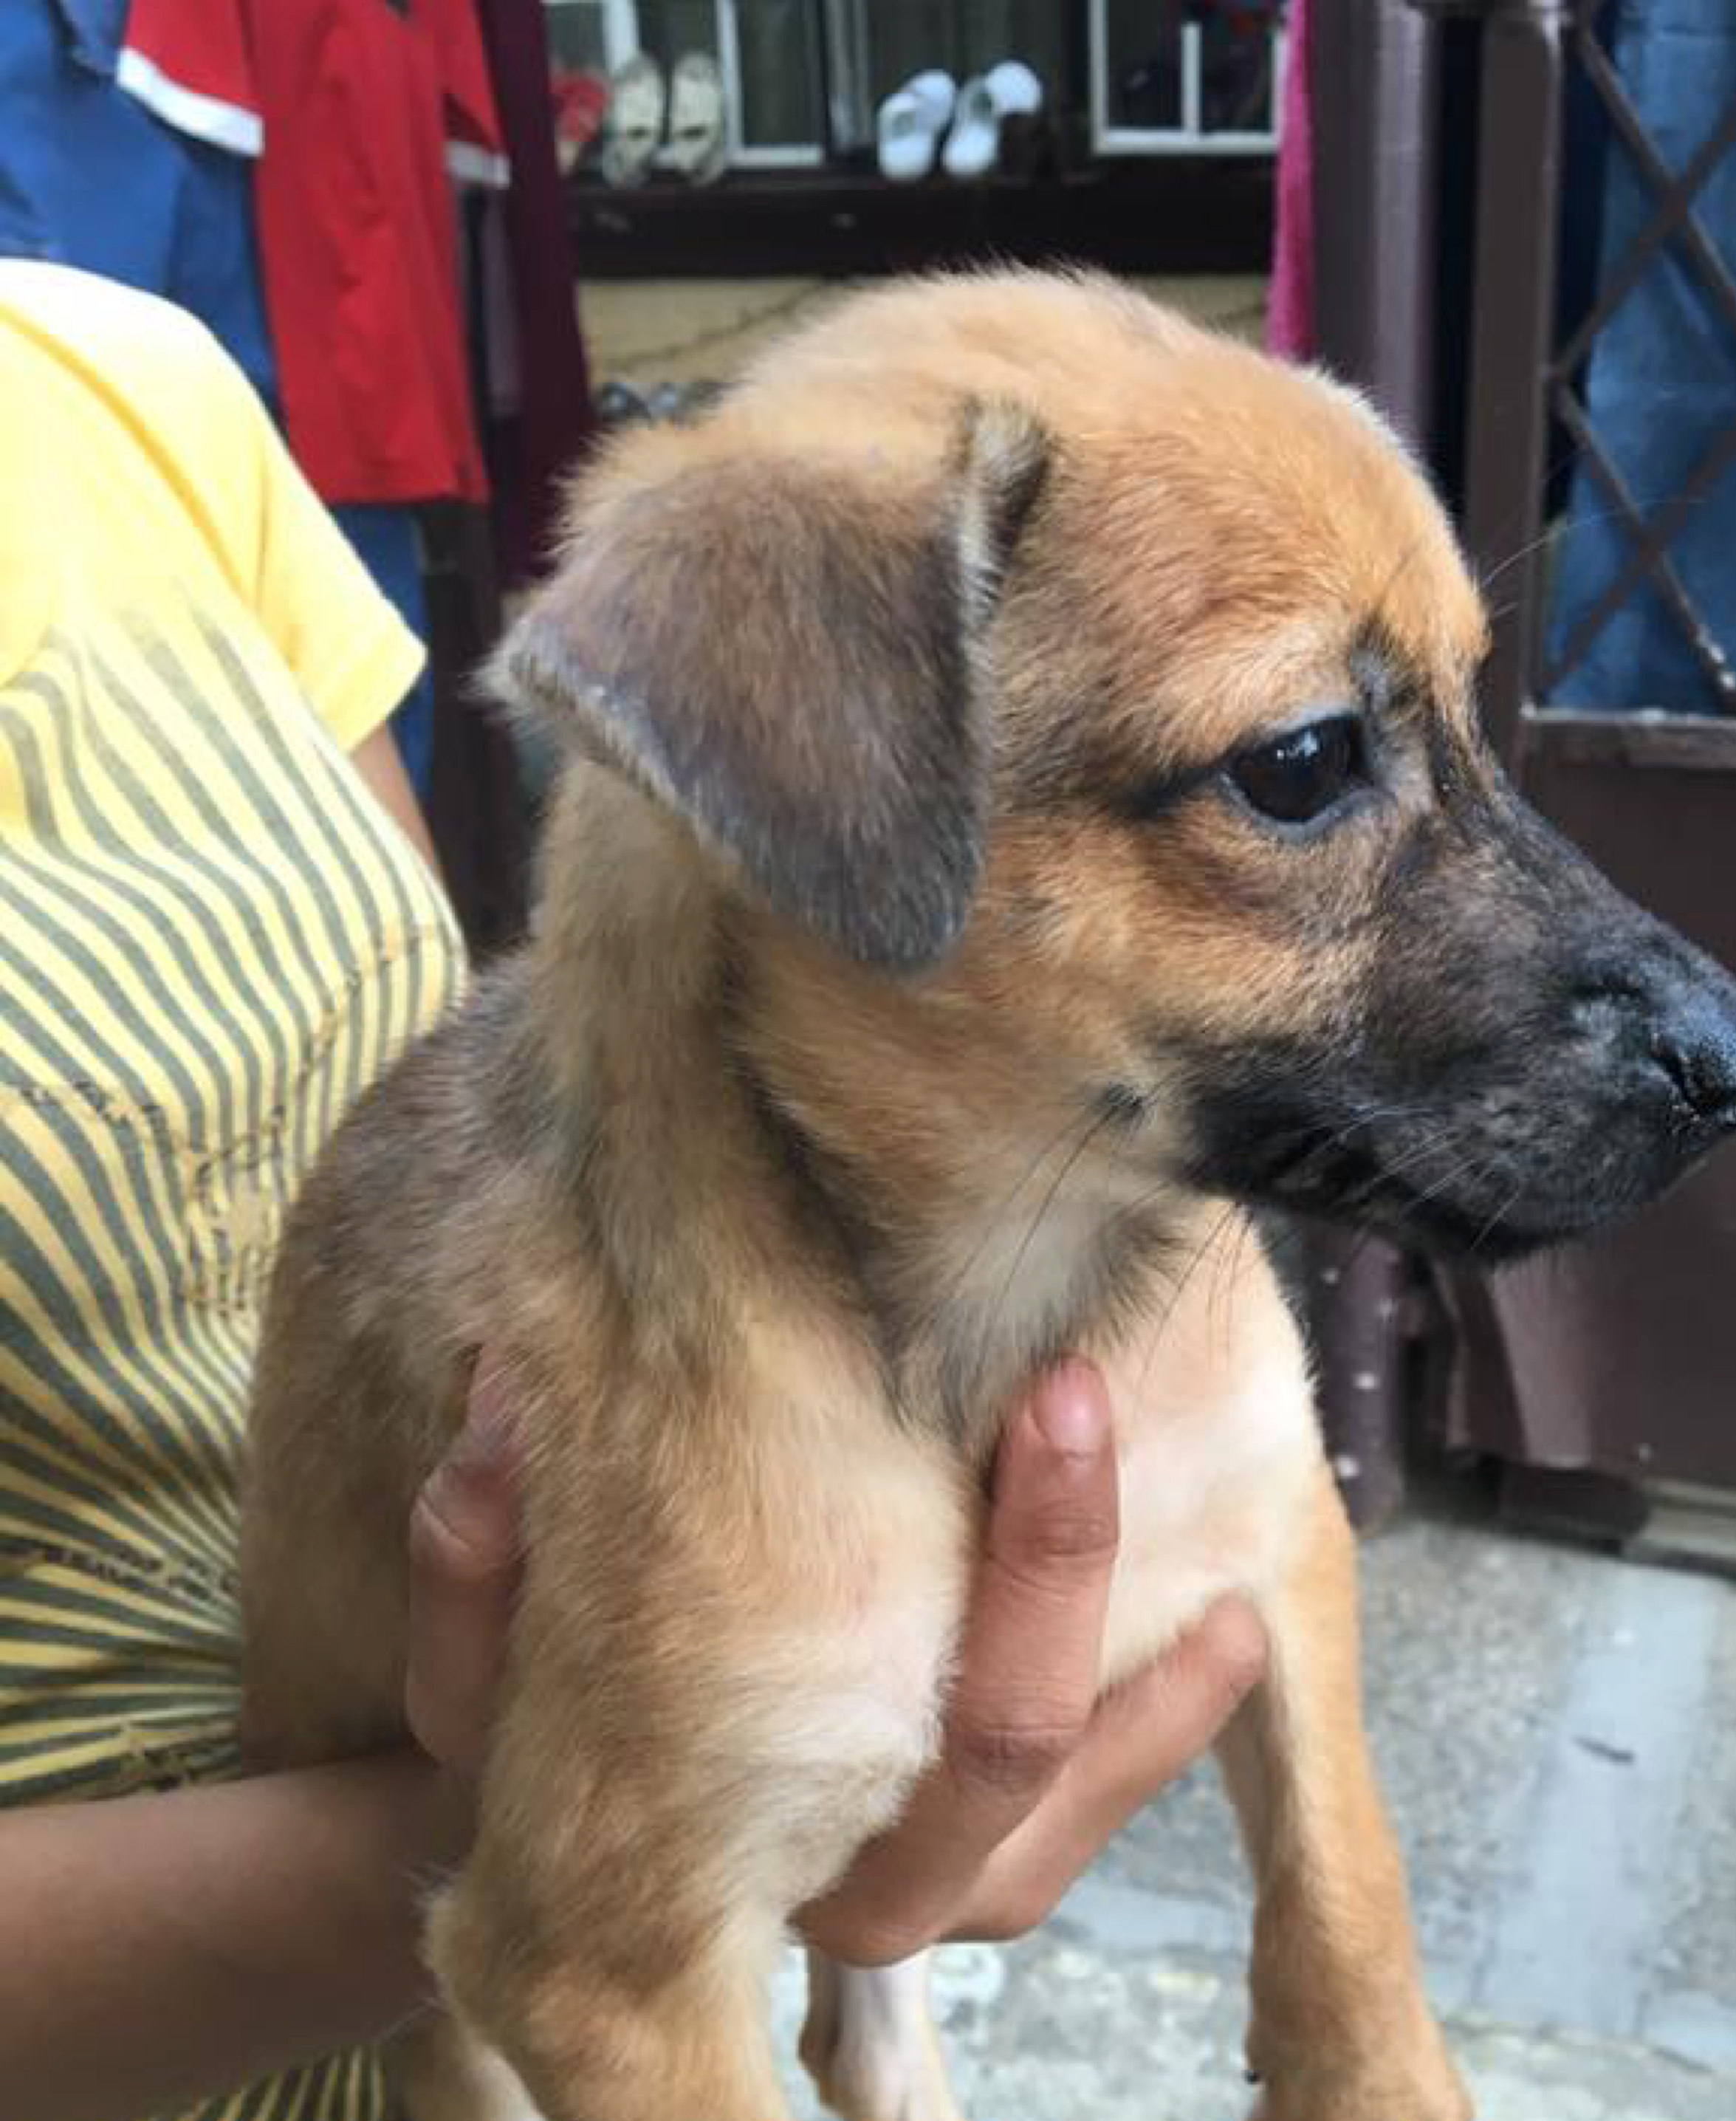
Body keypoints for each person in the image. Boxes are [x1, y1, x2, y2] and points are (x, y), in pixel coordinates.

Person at [0, 261, 1266, 2121]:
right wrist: (610, 1847)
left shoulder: (113, 377)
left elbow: (481, 1070)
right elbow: (597, 1925)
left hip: (551, 1613)